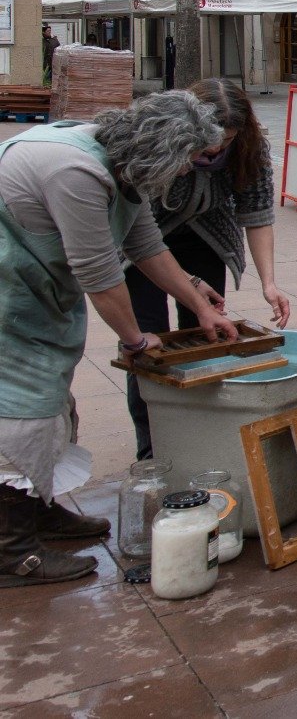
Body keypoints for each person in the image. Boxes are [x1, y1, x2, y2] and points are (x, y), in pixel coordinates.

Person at [0, 92, 238, 587]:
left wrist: (197, 302)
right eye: (187, 163)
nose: (185, 175)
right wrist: (134, 340)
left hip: (32, 292)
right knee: (21, 406)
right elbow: (99, 272)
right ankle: (12, 551)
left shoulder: (124, 164)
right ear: (166, 153)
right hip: (9, 296)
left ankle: (36, 513)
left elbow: (145, 243)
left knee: (49, 398)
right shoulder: (78, 173)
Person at [123, 79, 290, 461]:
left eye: (226, 142)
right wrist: (186, 283)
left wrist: (269, 283)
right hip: (141, 241)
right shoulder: (157, 134)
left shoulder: (249, 147)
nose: (215, 150)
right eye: (209, 142)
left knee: (206, 332)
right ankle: (153, 445)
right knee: (148, 340)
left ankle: (200, 427)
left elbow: (257, 211)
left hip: (206, 239)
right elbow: (138, 232)